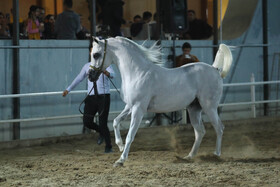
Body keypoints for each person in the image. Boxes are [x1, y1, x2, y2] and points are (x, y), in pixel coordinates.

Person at [62, 42, 115, 153]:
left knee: (103, 122)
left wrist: (106, 72)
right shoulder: (87, 66)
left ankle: (108, 146)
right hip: (91, 97)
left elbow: (113, 75)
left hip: (103, 97)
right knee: (87, 121)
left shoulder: (105, 65)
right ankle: (102, 132)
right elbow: (79, 78)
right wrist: (68, 89)